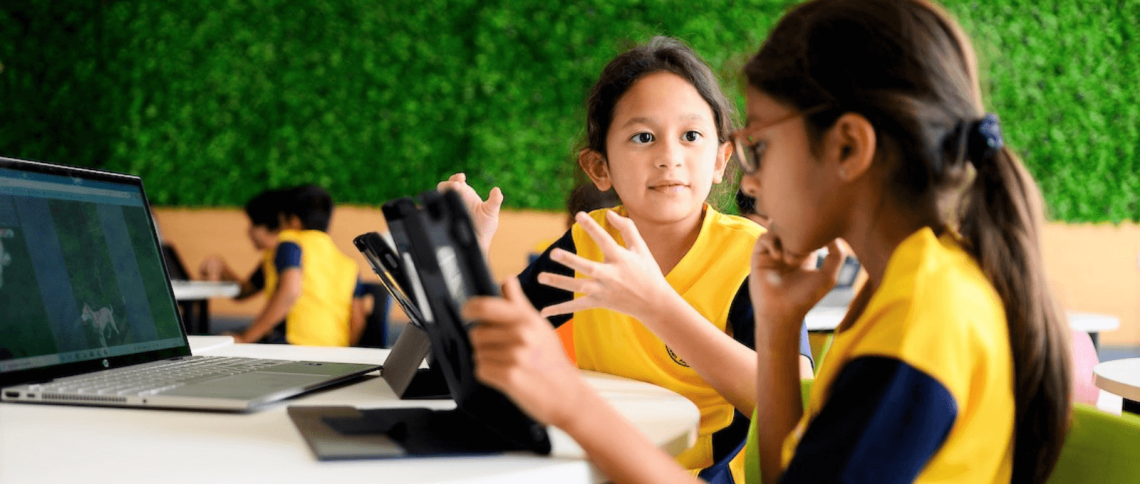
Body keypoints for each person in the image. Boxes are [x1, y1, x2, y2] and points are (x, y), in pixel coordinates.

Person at [463, 1, 1073, 483]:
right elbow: (784, 475)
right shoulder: (913, 284)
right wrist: (780, 328)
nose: (749, 179)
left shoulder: (922, 316)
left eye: (763, 148)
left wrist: (573, 405)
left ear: (848, 149)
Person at [443, 36, 814, 483]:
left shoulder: (753, 255)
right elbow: (492, 343)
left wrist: (656, 303)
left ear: (721, 159)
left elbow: (795, 401)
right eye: (643, 137)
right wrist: (469, 251)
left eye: (691, 136)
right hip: (592, 465)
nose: (669, 158)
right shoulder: (589, 240)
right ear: (600, 168)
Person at [203, 185, 367, 346]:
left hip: (293, 345)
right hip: (334, 353)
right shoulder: (348, 264)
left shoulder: (290, 245)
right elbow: (358, 320)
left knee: (218, 342)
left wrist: (247, 338)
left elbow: (290, 292)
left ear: (292, 221)